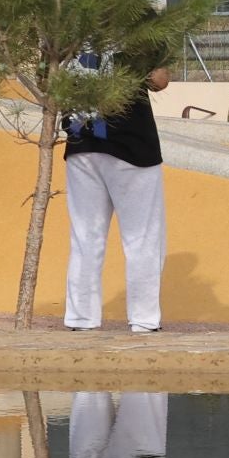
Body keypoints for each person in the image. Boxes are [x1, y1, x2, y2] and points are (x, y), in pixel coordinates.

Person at [64, 47, 171, 333]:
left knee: (85, 236)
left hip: (81, 140)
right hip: (131, 143)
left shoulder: (68, 24)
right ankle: (144, 320)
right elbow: (159, 80)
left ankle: (80, 318)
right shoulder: (139, 26)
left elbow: (46, 76)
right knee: (142, 237)